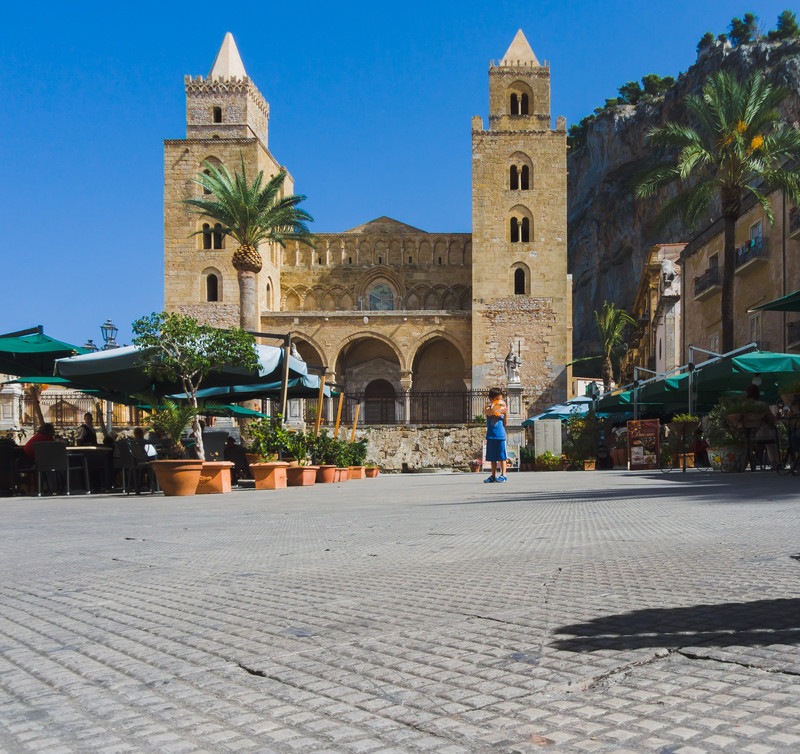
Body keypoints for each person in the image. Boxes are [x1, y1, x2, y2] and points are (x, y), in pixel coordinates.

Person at [484, 387, 508, 483]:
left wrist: (505, 414)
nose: (500, 401)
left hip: (500, 435)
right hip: (491, 435)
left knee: (502, 456)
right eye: (498, 399)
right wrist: (497, 405)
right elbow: (490, 413)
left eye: (501, 399)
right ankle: (493, 475)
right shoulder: (488, 408)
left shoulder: (501, 410)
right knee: (492, 457)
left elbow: (505, 423)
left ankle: (503, 475)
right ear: (491, 399)